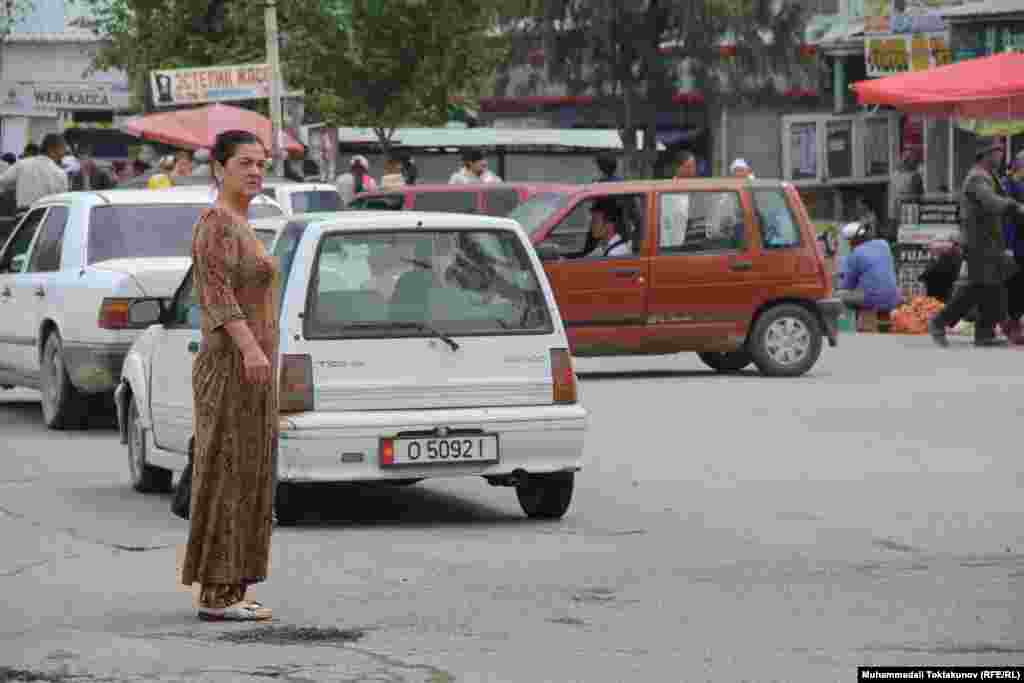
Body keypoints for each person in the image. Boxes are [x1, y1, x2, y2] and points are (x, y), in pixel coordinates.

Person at [181, 130, 278, 621]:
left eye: (261, 163)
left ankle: (234, 586)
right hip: (231, 364)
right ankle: (216, 593)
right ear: (219, 168)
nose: (256, 171)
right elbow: (216, 295)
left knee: (250, 474)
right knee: (227, 472)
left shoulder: (242, 222)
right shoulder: (216, 222)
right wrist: (250, 349)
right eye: (245, 163)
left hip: (254, 368)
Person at [929, 139, 1024, 348]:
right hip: (978, 243)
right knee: (978, 287)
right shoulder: (977, 178)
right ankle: (940, 321)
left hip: (991, 242)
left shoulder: (991, 176)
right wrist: (1015, 207)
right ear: (985, 154)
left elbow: (1004, 199)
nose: (1001, 156)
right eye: (997, 152)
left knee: (993, 285)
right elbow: (991, 201)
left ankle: (985, 333)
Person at [836, 222, 902, 315]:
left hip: (873, 301)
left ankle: (852, 321)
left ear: (853, 240)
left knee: (839, 295)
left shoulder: (855, 254)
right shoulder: (884, 244)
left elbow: (847, 286)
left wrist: (840, 283)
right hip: (894, 298)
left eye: (848, 241)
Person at [0, 133, 69, 216]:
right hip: (46, 218)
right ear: (52, 149)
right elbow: (62, 203)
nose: (64, 153)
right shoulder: (60, 173)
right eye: (62, 149)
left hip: (23, 216)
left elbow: (3, 181)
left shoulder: (22, 164)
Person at [1001, 151, 1024, 343]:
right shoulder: (1007, 184)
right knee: (1014, 285)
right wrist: (1008, 246)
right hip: (1015, 245)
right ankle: (1012, 324)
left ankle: (1014, 323)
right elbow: (1007, 218)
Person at [888, 149, 924, 242]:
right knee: (910, 237)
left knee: (897, 237)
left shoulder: (894, 174)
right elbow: (920, 195)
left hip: (895, 212)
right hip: (909, 212)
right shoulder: (915, 176)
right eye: (914, 160)